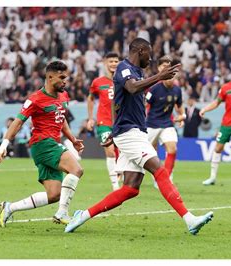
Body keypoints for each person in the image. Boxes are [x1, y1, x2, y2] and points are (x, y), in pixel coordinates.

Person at [64, 38, 213, 235]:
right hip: (130, 133)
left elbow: (118, 103)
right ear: (140, 50)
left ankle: (83, 215)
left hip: (133, 131)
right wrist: (159, 76)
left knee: (131, 188)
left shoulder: (138, 72)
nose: (150, 58)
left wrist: (115, 131)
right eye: (148, 54)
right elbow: (132, 87)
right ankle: (189, 219)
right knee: (159, 169)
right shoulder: (124, 69)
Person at [0, 61, 85, 227]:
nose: (65, 81)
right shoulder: (36, 99)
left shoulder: (63, 96)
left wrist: (73, 139)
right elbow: (17, 122)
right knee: (76, 169)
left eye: (66, 77)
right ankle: (62, 213)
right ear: (50, 77)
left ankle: (9, 207)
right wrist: (3, 146)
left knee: (54, 194)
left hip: (51, 144)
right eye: (62, 77)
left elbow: (62, 118)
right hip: (43, 144)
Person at [146, 55, 186, 187]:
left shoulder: (177, 90)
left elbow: (179, 106)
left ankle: (165, 179)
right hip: (151, 124)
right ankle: (126, 172)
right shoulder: (154, 89)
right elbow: (145, 105)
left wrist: (182, 115)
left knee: (172, 149)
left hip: (167, 124)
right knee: (147, 154)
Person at [87, 52, 120, 191]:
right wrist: (90, 118)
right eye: (111, 61)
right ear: (106, 63)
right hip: (103, 122)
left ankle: (120, 174)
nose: (113, 64)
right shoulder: (98, 82)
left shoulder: (123, 81)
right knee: (110, 151)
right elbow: (90, 98)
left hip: (120, 123)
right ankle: (115, 186)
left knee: (121, 153)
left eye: (116, 61)